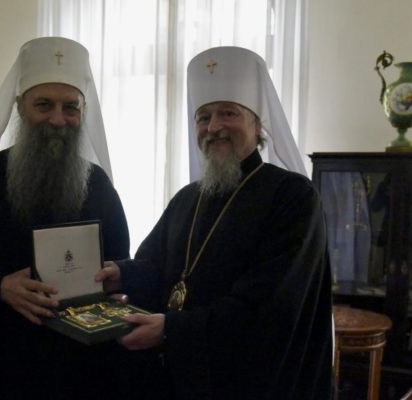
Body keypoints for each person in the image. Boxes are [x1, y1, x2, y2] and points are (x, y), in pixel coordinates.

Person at [96, 46, 334, 399]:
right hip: (184, 377)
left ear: (258, 125)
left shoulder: (292, 196)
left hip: (252, 382)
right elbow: (158, 265)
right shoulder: (187, 198)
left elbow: (272, 303)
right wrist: (122, 273)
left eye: (228, 113)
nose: (214, 127)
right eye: (203, 117)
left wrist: (172, 330)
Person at [0, 37, 147, 400]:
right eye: (44, 105)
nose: (58, 119)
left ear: (83, 111)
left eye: (70, 107)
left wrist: (117, 286)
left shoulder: (100, 188)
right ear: (20, 108)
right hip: (1, 375)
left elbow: (119, 271)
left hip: (80, 377)